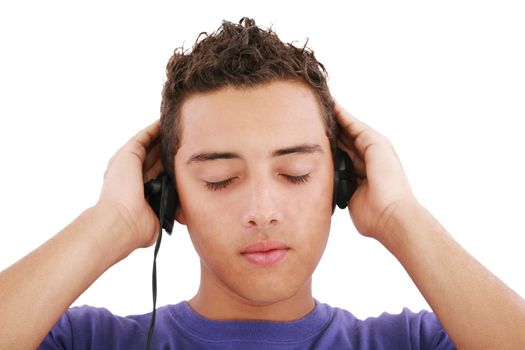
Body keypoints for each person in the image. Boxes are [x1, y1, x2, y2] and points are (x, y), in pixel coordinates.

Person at [1, 17, 524, 350]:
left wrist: (400, 217)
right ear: (169, 196)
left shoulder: (416, 343)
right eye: (220, 180)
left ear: (342, 180)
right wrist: (108, 222)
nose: (262, 209)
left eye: (295, 173)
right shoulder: (87, 342)